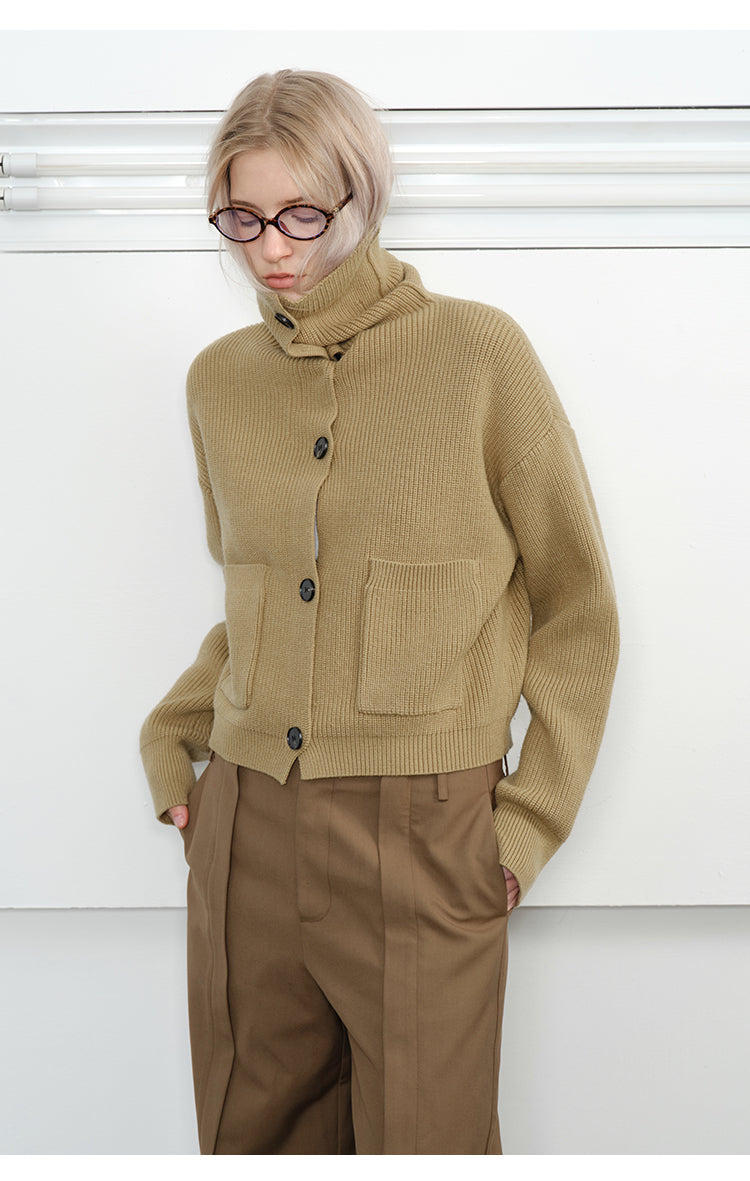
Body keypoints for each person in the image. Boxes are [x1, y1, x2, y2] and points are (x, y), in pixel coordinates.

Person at [140, 68, 619, 1156]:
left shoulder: (479, 354)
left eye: (302, 213)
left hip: (424, 834)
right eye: (242, 217)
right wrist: (177, 741)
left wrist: (525, 823)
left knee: (427, 1145)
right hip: (248, 823)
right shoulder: (217, 381)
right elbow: (257, 598)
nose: (272, 247)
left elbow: (578, 603)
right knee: (253, 1141)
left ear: (363, 197)